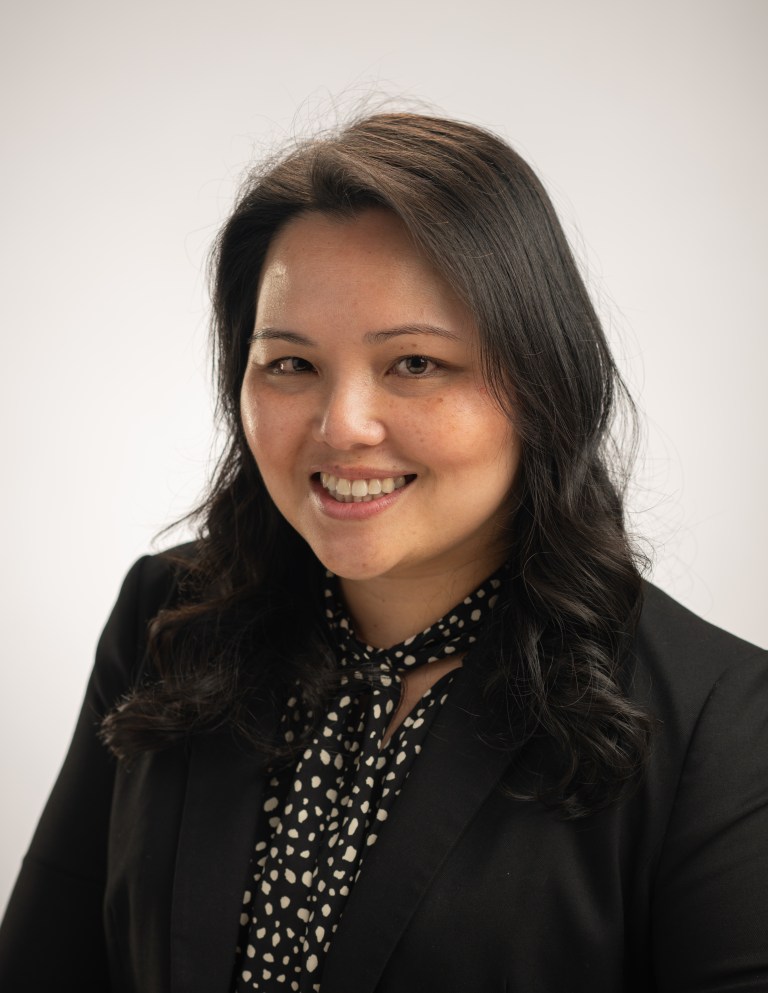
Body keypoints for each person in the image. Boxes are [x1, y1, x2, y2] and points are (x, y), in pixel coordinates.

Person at [1, 112, 766, 993]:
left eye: (414, 363)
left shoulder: (724, 726)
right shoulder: (167, 620)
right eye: (290, 365)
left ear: (544, 380)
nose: (342, 426)